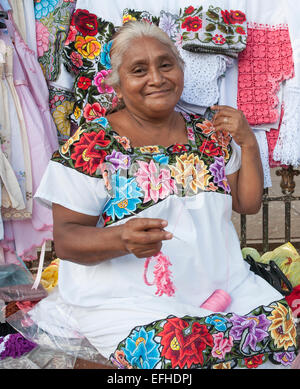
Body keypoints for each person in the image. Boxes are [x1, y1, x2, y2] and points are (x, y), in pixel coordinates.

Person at [30, 21, 297, 369]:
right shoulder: (91, 145)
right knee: (176, 351)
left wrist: (247, 141)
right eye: (139, 70)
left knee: (279, 329)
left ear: (180, 70)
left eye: (166, 64)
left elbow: (246, 203)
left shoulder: (208, 135)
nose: (156, 78)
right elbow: (66, 240)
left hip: (219, 285)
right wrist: (120, 239)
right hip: (126, 299)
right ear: (118, 84)